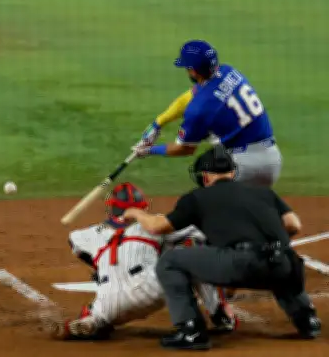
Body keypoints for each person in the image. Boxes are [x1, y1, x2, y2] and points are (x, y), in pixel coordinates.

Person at [124, 146, 321, 350]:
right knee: (280, 258)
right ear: (233, 173)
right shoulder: (264, 193)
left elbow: (157, 226)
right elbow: (293, 225)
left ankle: (191, 331)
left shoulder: (197, 198)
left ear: (206, 176)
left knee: (170, 261)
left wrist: (136, 213)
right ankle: (307, 320)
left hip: (238, 264)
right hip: (283, 266)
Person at [40, 182, 235, 341]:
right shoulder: (152, 226)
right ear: (140, 208)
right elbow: (199, 233)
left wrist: (98, 267)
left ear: (111, 209)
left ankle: (93, 320)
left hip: (110, 301)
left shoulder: (89, 234)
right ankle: (219, 312)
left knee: (101, 308)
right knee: (192, 252)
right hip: (151, 290)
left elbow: (73, 241)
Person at [133, 39, 282, 188]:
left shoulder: (198, 110)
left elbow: (185, 148)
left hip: (243, 166)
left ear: (193, 70)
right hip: (273, 158)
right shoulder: (229, 71)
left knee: (205, 173)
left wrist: (149, 150)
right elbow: (191, 96)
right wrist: (158, 123)